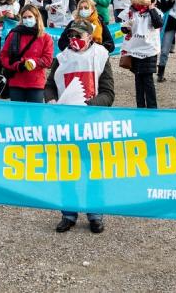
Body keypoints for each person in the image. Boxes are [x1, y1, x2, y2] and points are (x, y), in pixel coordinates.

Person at [44, 19, 114, 234]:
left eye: (79, 36)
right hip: (66, 124)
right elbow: (49, 86)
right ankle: (68, 213)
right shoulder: (62, 58)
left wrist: (88, 105)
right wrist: (51, 100)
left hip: (92, 124)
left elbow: (108, 94)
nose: (74, 40)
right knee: (67, 169)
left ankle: (95, 214)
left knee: (93, 170)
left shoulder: (100, 56)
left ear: (90, 37)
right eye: (71, 36)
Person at [0, 5, 53, 103]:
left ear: (36, 17)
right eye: (24, 17)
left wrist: (33, 63)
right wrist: (17, 65)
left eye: (30, 17)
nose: (27, 19)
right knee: (18, 116)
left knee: (35, 116)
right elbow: (4, 56)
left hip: (36, 83)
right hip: (16, 82)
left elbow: (48, 60)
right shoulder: (13, 34)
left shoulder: (46, 38)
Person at [120, 0, 162, 109]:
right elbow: (123, 29)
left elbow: (158, 23)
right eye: (136, 4)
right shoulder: (130, 12)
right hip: (135, 50)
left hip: (149, 50)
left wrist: (152, 9)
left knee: (148, 80)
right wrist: (126, 27)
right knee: (138, 79)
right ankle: (140, 107)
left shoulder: (154, 12)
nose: (138, 6)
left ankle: (152, 108)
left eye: (140, 4)